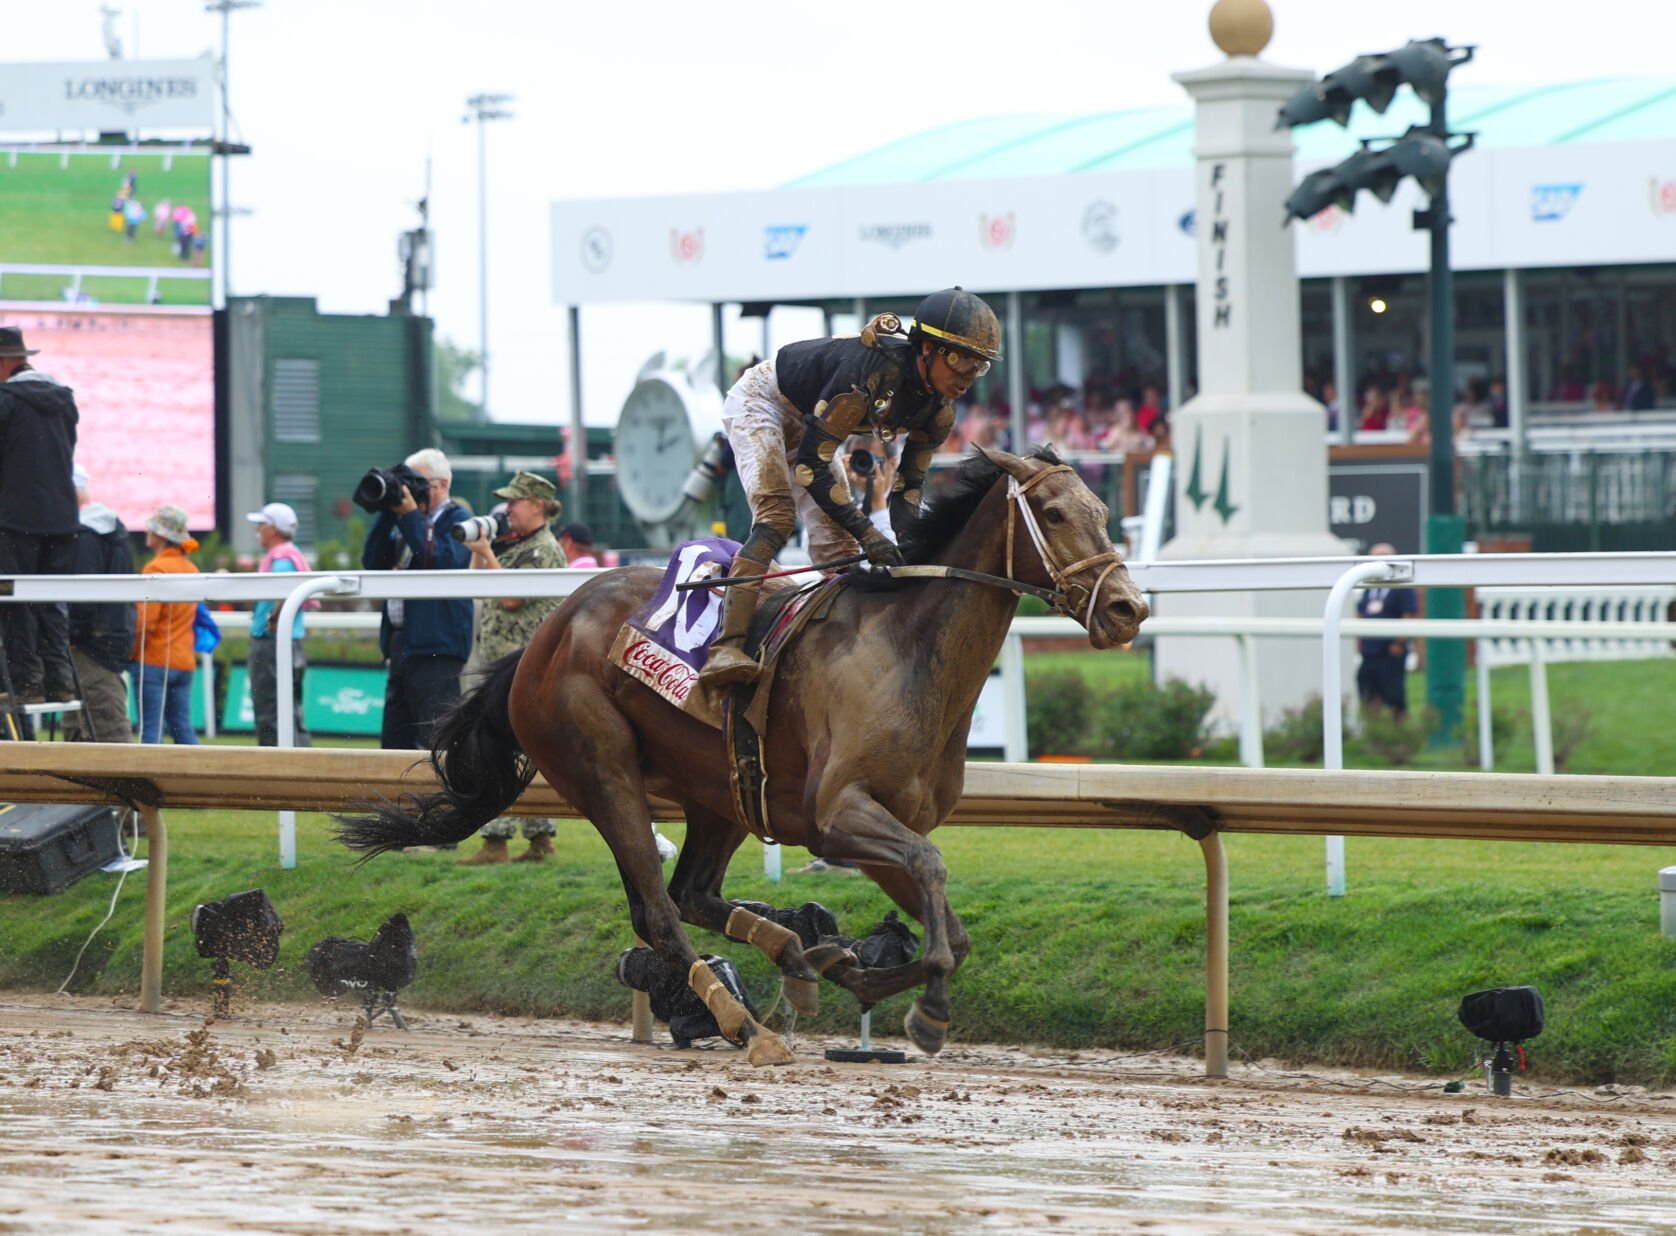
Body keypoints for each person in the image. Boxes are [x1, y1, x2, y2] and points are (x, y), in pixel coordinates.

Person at [698, 286, 1001, 689]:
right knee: (776, 519)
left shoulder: (940, 411)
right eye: (961, 358)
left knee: (841, 551)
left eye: (978, 365)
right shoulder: (873, 370)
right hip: (763, 401)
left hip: (811, 421)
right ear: (926, 349)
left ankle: (836, 648)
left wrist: (910, 547)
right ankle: (725, 648)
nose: (967, 375)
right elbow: (810, 466)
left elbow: (908, 487)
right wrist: (869, 533)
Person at [457, 471, 568, 865]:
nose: (507, 510)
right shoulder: (517, 546)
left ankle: (504, 841)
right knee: (510, 750)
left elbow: (511, 600)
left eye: (515, 502)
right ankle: (532, 839)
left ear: (537, 505)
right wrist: (478, 548)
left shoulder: (542, 550)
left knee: (504, 750)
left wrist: (488, 553)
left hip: (520, 667)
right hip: (502, 665)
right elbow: (476, 586)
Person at [361, 446, 472, 751]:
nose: (410, 490)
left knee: (436, 741)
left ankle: (442, 799)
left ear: (443, 484)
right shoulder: (406, 521)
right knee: (394, 742)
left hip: (437, 648)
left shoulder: (460, 520)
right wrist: (387, 512)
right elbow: (373, 561)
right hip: (400, 645)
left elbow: (441, 560)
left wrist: (410, 516)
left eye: (417, 482)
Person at [0, 326, 80, 707]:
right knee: (53, 603)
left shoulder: (5, 401)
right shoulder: (65, 400)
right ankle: (60, 681)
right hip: (63, 519)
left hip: (15, 519)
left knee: (14, 602)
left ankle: (25, 682)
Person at [63, 466, 136, 742]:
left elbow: (83, 597)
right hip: (107, 639)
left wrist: (71, 633)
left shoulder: (86, 535)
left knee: (106, 734)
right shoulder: (107, 529)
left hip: (91, 646)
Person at [130, 505, 200, 745]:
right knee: (183, 730)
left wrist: (131, 653)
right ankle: (205, 775)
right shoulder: (191, 569)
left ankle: (148, 782)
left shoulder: (155, 568)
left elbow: (145, 623)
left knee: (151, 732)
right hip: (184, 662)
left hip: (153, 660)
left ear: (160, 535)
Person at [246, 501, 313, 748]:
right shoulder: (292, 554)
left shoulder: (281, 558)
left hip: (271, 644)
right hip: (289, 643)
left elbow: (287, 592)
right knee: (291, 712)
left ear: (273, 529)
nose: (258, 530)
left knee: (270, 712)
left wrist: (273, 618)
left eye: (261, 525)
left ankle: (275, 774)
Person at [1355, 543, 1419, 720]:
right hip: (1369, 650)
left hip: (1390, 650)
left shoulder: (1401, 586)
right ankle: (1376, 734)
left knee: (1393, 694)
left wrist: (1399, 641)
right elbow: (1361, 611)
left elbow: (1409, 613)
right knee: (1367, 690)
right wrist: (1358, 640)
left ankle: (1400, 735)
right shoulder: (1369, 587)